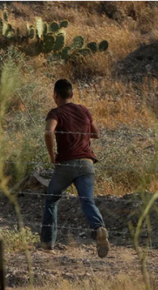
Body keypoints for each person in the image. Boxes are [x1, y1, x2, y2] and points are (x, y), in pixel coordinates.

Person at [40, 79, 110, 258]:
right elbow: (96, 133)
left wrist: (52, 155)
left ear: (55, 95)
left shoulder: (55, 112)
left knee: (52, 199)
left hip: (66, 164)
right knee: (87, 201)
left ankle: (48, 244)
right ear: (71, 95)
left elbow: (48, 132)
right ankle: (99, 228)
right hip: (87, 162)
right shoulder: (84, 110)